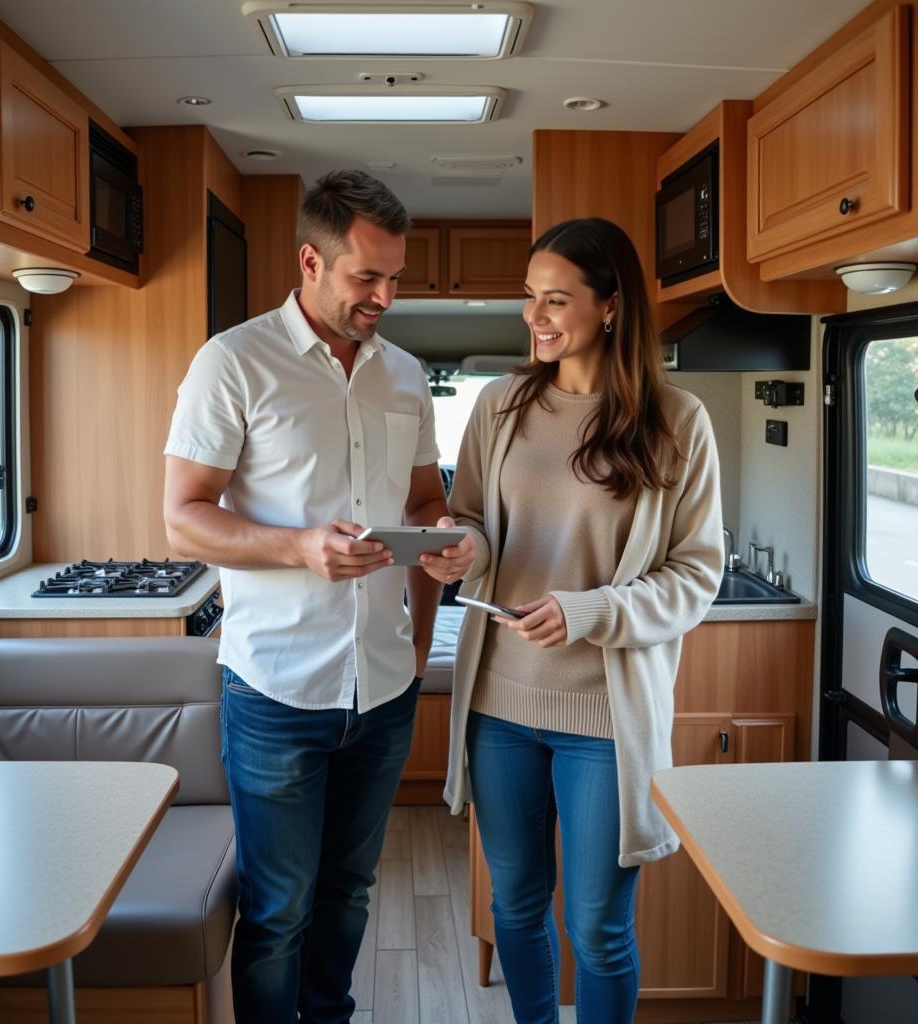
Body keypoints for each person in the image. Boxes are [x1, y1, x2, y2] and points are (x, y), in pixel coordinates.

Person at [162, 169, 475, 1024]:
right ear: (311, 259)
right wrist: (298, 547)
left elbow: (422, 504)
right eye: (365, 277)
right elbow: (183, 522)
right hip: (273, 689)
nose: (384, 295)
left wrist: (440, 559)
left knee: (349, 894)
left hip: (382, 686)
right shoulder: (232, 361)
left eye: (395, 278)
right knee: (277, 912)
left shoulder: (405, 375)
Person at [428, 217, 723, 1024]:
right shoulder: (500, 406)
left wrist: (589, 611)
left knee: (597, 927)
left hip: (605, 719)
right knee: (516, 909)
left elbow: (697, 576)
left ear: (612, 306)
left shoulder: (678, 422)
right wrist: (461, 551)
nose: (535, 317)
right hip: (499, 705)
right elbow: (475, 522)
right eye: (529, 298)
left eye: (556, 300)